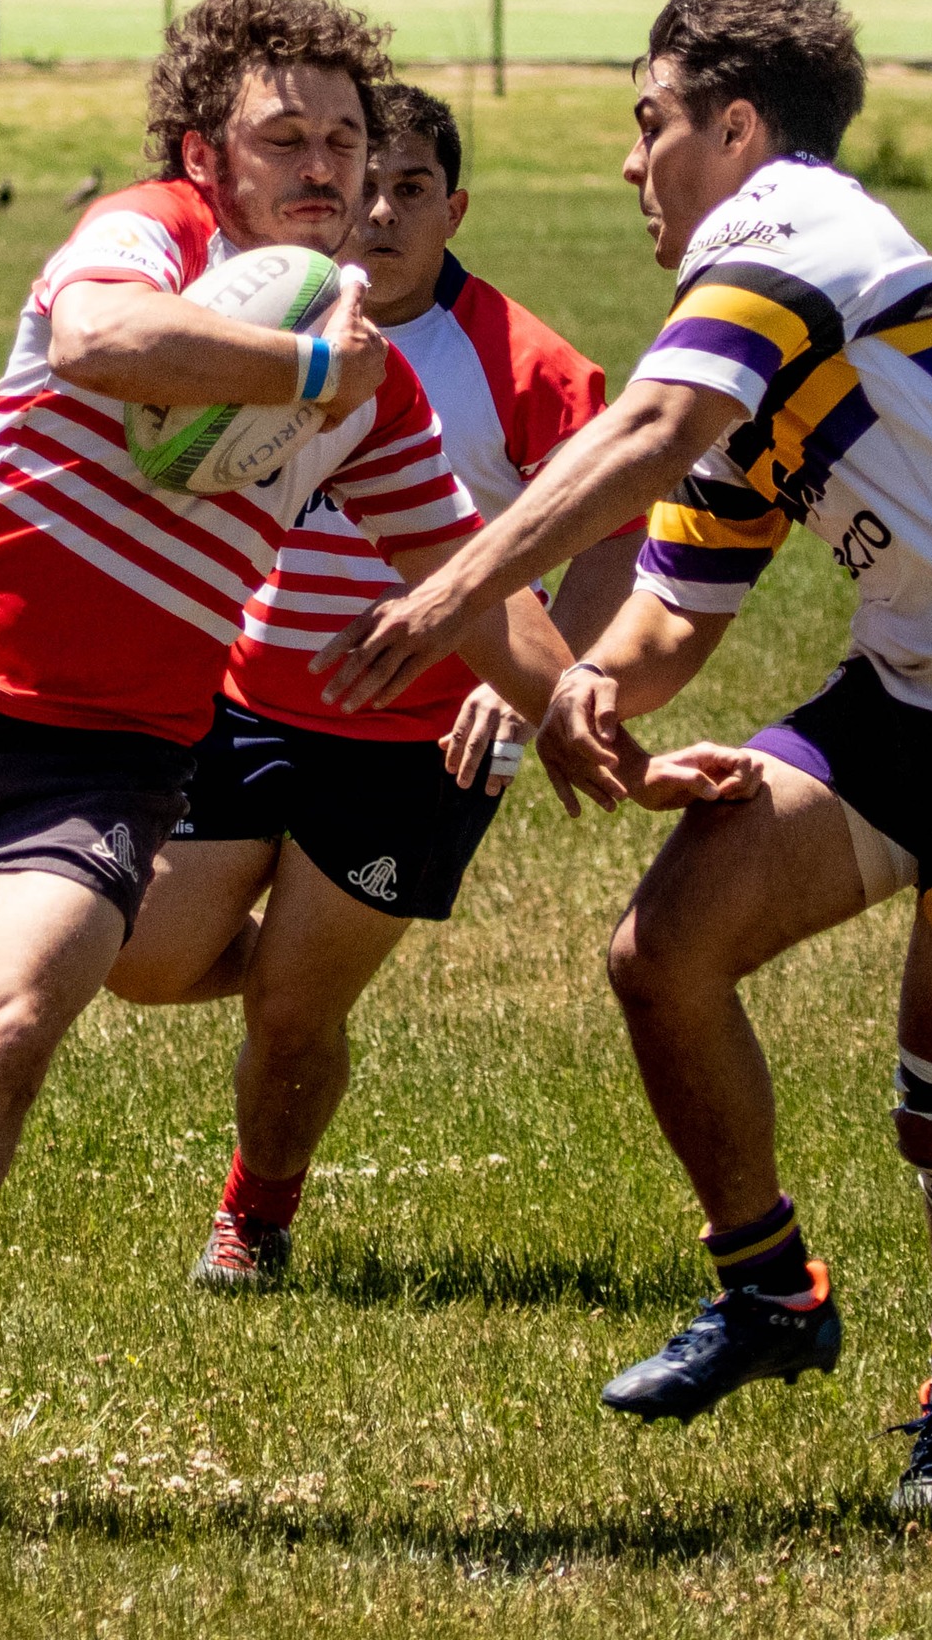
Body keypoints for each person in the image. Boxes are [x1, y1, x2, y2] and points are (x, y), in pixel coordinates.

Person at [312, 0, 932, 1507]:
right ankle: (771, 1291)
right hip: (908, 703)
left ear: (734, 126)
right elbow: (676, 602)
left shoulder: (790, 230)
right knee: (660, 952)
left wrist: (444, 596)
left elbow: (639, 435)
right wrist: (587, 688)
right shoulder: (748, 330)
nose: (627, 162)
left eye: (646, 124)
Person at [0, 0, 582, 1513]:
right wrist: (306, 369)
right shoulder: (145, 234)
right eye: (287, 137)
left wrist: (583, 708)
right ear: (208, 152)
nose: (326, 168)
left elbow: (461, 581)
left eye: (348, 138)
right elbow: (99, 342)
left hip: (112, 752)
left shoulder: (375, 392)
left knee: (1, 1036)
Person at [107, 82, 671, 1288]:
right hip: (245, 696)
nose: (380, 211)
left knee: (295, 1018)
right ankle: (298, 959)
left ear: (453, 208)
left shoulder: (524, 360)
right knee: (138, 955)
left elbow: (622, 525)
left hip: (420, 743)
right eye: (365, 182)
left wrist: (522, 688)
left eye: (413, 189)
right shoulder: (272, 318)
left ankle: (255, 1216)